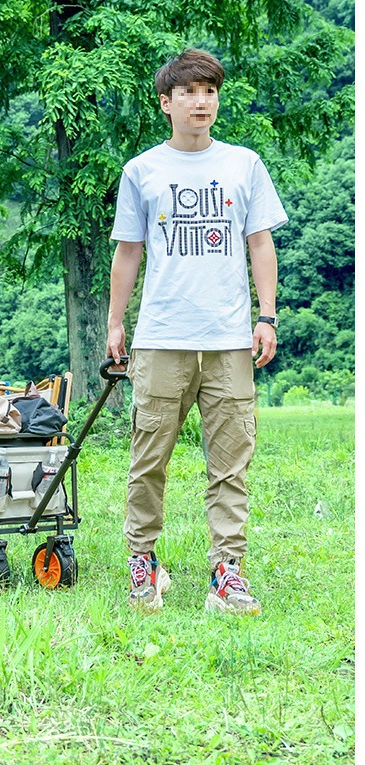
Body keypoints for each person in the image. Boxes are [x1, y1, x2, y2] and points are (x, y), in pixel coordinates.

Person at [106, 49, 287, 615]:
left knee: (231, 461)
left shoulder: (244, 164)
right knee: (148, 457)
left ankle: (227, 573)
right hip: (162, 336)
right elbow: (127, 252)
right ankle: (144, 563)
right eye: (188, 92)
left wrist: (266, 316)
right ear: (166, 102)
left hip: (229, 339)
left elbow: (260, 243)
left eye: (209, 91)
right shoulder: (142, 170)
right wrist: (116, 322)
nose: (200, 102)